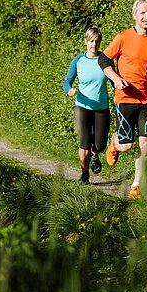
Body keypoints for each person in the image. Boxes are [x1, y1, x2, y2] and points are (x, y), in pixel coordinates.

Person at [98, 0, 147, 199]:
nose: (146, 17)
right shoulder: (123, 37)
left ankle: (136, 185)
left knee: (145, 145)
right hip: (125, 98)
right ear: (134, 15)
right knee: (126, 145)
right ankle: (115, 143)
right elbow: (103, 58)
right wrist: (115, 78)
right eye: (142, 13)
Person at [63, 27, 110, 184]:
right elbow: (67, 81)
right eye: (91, 41)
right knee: (85, 143)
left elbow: (115, 79)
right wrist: (69, 90)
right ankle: (84, 174)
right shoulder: (78, 60)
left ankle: (95, 156)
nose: (94, 44)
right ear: (86, 41)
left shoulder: (105, 59)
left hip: (102, 107)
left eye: (96, 41)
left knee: (100, 143)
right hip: (82, 107)